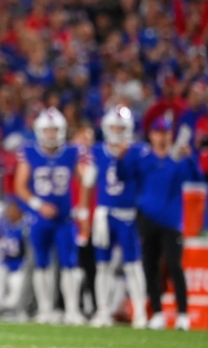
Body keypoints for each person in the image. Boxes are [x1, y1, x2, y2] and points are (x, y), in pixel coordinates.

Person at [116, 116, 200, 330]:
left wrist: (190, 159)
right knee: (149, 265)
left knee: (174, 266)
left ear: (170, 135)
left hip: (171, 221)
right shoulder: (143, 159)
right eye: (158, 132)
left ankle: (183, 314)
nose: (162, 136)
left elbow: (198, 179)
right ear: (151, 135)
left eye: (165, 132)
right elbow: (123, 176)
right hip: (147, 218)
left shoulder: (178, 160)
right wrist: (121, 158)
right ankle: (158, 313)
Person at [14, 107, 90, 325]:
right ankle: (45, 309)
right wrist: (39, 205)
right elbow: (20, 186)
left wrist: (82, 209)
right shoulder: (29, 152)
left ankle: (72, 310)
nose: (51, 134)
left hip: (64, 218)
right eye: (47, 130)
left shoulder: (71, 152)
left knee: (70, 264)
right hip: (40, 218)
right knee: (41, 263)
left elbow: (84, 181)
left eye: (54, 130)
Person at [85, 106, 147, 328]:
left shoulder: (138, 151)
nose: (116, 131)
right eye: (113, 126)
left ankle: (140, 312)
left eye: (121, 127)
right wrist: (84, 214)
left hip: (128, 215)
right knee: (102, 265)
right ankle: (102, 311)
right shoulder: (98, 151)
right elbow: (87, 183)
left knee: (132, 265)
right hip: (104, 215)